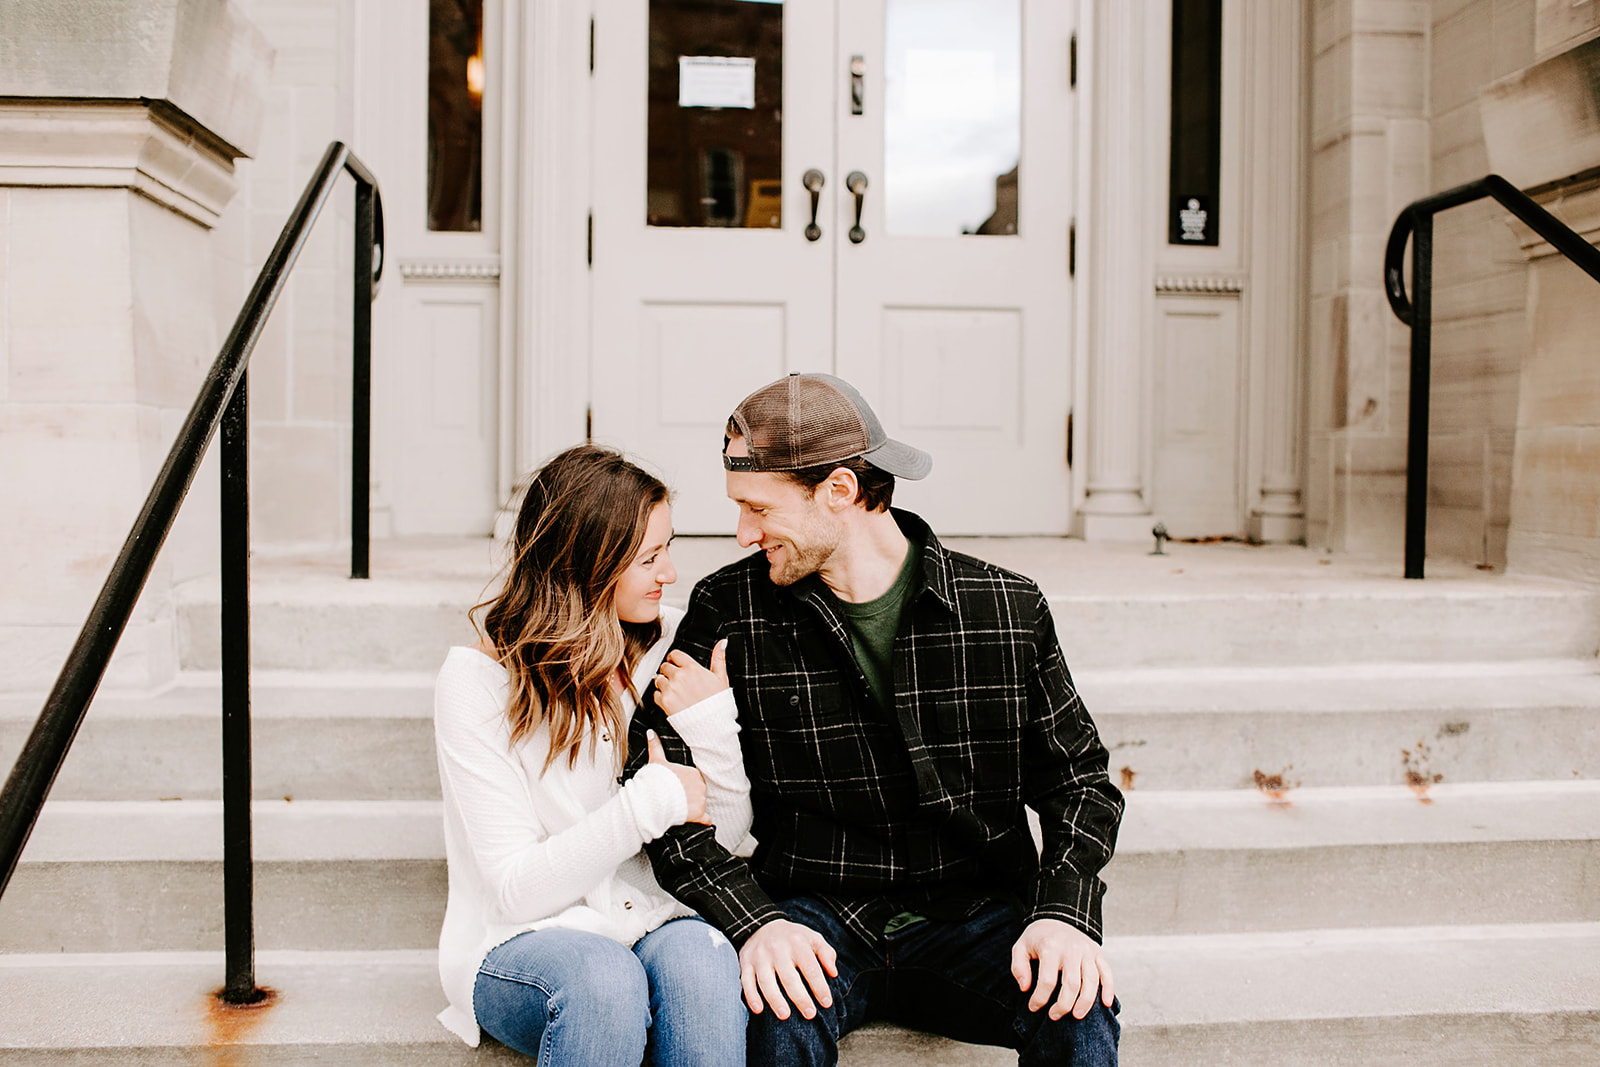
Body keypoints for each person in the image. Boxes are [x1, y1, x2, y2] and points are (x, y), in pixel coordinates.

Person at [626, 374, 1126, 1066]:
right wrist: (755, 920)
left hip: (977, 912)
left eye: (758, 508)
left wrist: (1065, 911)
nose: (742, 533)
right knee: (774, 1011)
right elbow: (657, 788)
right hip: (813, 913)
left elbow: (1081, 782)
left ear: (838, 491)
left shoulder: (1005, 609)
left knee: (1078, 1003)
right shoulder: (729, 612)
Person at [433, 444, 751, 1065]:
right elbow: (515, 892)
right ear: (584, 566)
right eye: (650, 558)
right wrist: (641, 809)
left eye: (669, 550)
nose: (670, 574)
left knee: (706, 965)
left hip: (656, 918)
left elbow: (728, 840)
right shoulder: (478, 684)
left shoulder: (673, 649)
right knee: (603, 982)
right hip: (524, 942)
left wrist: (713, 729)